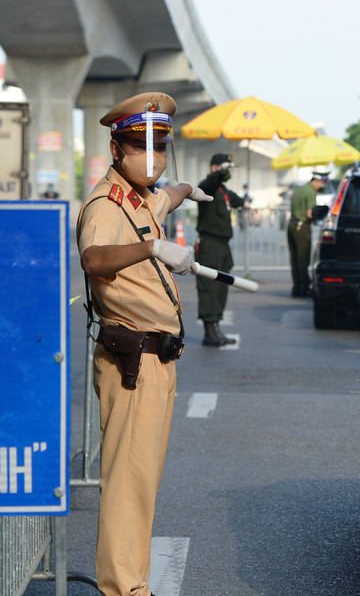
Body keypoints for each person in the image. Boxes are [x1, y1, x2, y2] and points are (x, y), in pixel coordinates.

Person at [76, 91, 214, 596]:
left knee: (142, 483)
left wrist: (185, 189)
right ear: (118, 150)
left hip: (156, 359)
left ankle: (132, 583)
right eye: (141, 146)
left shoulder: (138, 197)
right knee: (127, 485)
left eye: (160, 148)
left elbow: (162, 198)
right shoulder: (104, 205)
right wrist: (153, 246)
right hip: (131, 360)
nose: (152, 159)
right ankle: (123, 588)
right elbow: (94, 260)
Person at [195, 153, 243, 347]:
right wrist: (218, 174)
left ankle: (216, 329)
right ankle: (209, 332)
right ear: (215, 168)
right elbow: (208, 185)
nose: (228, 172)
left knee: (221, 289)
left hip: (223, 247)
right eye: (225, 168)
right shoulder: (208, 187)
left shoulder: (222, 190)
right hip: (210, 245)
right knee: (209, 289)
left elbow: (238, 201)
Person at [287, 170, 328, 297]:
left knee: (294, 259)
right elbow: (309, 214)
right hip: (302, 227)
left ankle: (296, 287)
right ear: (317, 181)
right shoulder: (310, 192)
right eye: (323, 182)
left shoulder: (299, 189)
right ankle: (303, 288)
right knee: (303, 259)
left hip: (292, 225)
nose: (322, 185)